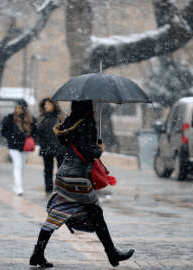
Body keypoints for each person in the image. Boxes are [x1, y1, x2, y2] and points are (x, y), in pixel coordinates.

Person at [29, 100, 134, 268]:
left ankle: (38, 253)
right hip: (78, 177)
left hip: (64, 174)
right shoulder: (86, 124)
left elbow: (68, 143)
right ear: (87, 107)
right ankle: (111, 252)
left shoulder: (68, 122)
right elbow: (87, 151)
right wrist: (99, 148)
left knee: (57, 213)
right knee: (96, 213)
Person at [1, 99, 36, 196]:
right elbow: (3, 131)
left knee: (21, 167)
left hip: (25, 146)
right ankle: (19, 188)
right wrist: (11, 136)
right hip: (13, 146)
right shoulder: (10, 118)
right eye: (16, 108)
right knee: (18, 165)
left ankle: (16, 185)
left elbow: (35, 132)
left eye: (20, 108)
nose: (18, 110)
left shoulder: (30, 119)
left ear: (24, 109)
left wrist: (31, 138)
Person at [36, 98, 66, 193]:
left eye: (48, 104)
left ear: (54, 105)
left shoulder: (60, 117)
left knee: (61, 170)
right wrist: (42, 144)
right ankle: (48, 190)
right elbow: (38, 133)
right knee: (48, 170)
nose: (46, 106)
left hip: (59, 148)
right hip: (46, 148)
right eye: (45, 104)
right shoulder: (42, 118)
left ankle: (60, 189)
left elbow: (66, 132)